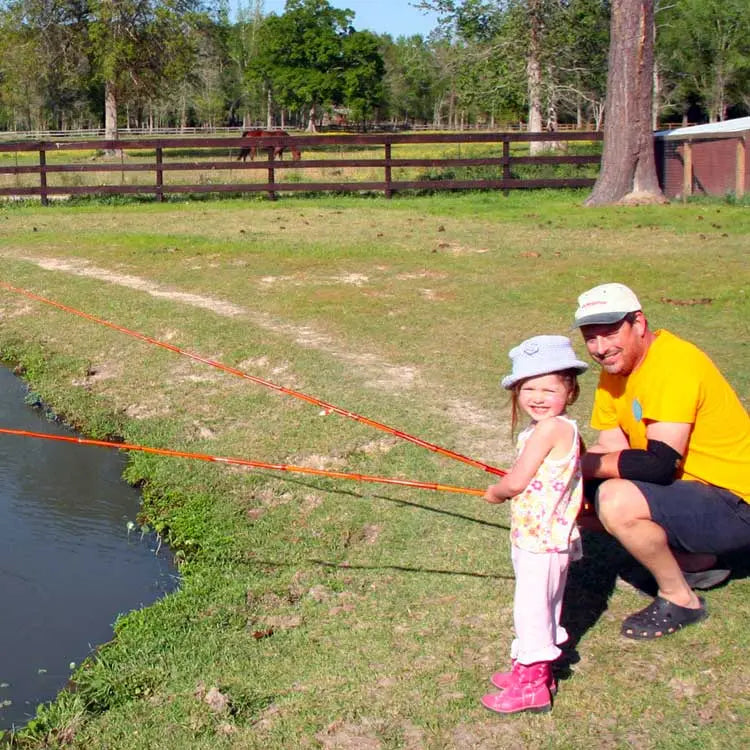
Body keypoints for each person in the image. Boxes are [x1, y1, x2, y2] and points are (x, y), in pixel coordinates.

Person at [573, 282, 750, 640]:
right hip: (696, 494)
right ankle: (698, 562)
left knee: (615, 500)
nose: (601, 348)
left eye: (609, 333)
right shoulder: (615, 373)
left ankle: (680, 598)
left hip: (736, 502)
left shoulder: (674, 363)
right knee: (578, 500)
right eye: (591, 338)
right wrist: (559, 476)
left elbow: (658, 465)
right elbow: (610, 443)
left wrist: (579, 468)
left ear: (638, 323)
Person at [481, 335, 588, 715]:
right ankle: (534, 670)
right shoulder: (556, 428)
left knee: (532, 608)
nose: (537, 397)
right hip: (541, 535)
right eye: (528, 388)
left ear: (569, 391)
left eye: (549, 388)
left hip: (541, 540)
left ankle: (533, 685)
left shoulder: (548, 429)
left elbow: (516, 483)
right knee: (544, 603)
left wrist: (497, 491)